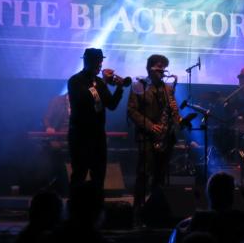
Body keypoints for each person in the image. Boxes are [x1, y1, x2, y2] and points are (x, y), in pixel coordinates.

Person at [128, 54, 183, 209]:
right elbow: (131, 110)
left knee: (160, 175)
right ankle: (138, 208)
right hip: (147, 136)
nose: (162, 69)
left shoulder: (168, 88)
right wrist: (150, 126)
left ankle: (156, 208)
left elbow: (172, 111)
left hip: (164, 137)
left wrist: (177, 117)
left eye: (164, 66)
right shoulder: (139, 85)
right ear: (150, 68)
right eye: (159, 66)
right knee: (144, 173)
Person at [67, 48, 125, 191]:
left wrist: (119, 88)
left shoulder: (99, 82)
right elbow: (85, 100)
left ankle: (97, 202)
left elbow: (111, 105)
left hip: (98, 135)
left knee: (99, 175)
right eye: (97, 61)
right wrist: (103, 83)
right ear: (88, 62)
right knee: (79, 174)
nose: (100, 65)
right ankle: (75, 203)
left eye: (100, 61)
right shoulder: (75, 80)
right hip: (80, 135)